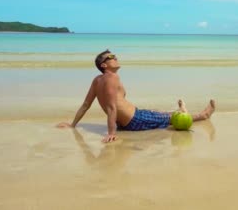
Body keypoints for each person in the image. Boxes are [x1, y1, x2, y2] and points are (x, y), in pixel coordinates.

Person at [56, 49, 216, 143]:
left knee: (157, 112)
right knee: (173, 119)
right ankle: (202, 115)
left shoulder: (97, 80)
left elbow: (86, 105)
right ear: (104, 65)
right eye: (111, 57)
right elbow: (111, 107)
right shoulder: (112, 77)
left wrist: (73, 125)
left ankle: (181, 110)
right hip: (133, 120)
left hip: (129, 119)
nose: (115, 58)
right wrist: (112, 132)